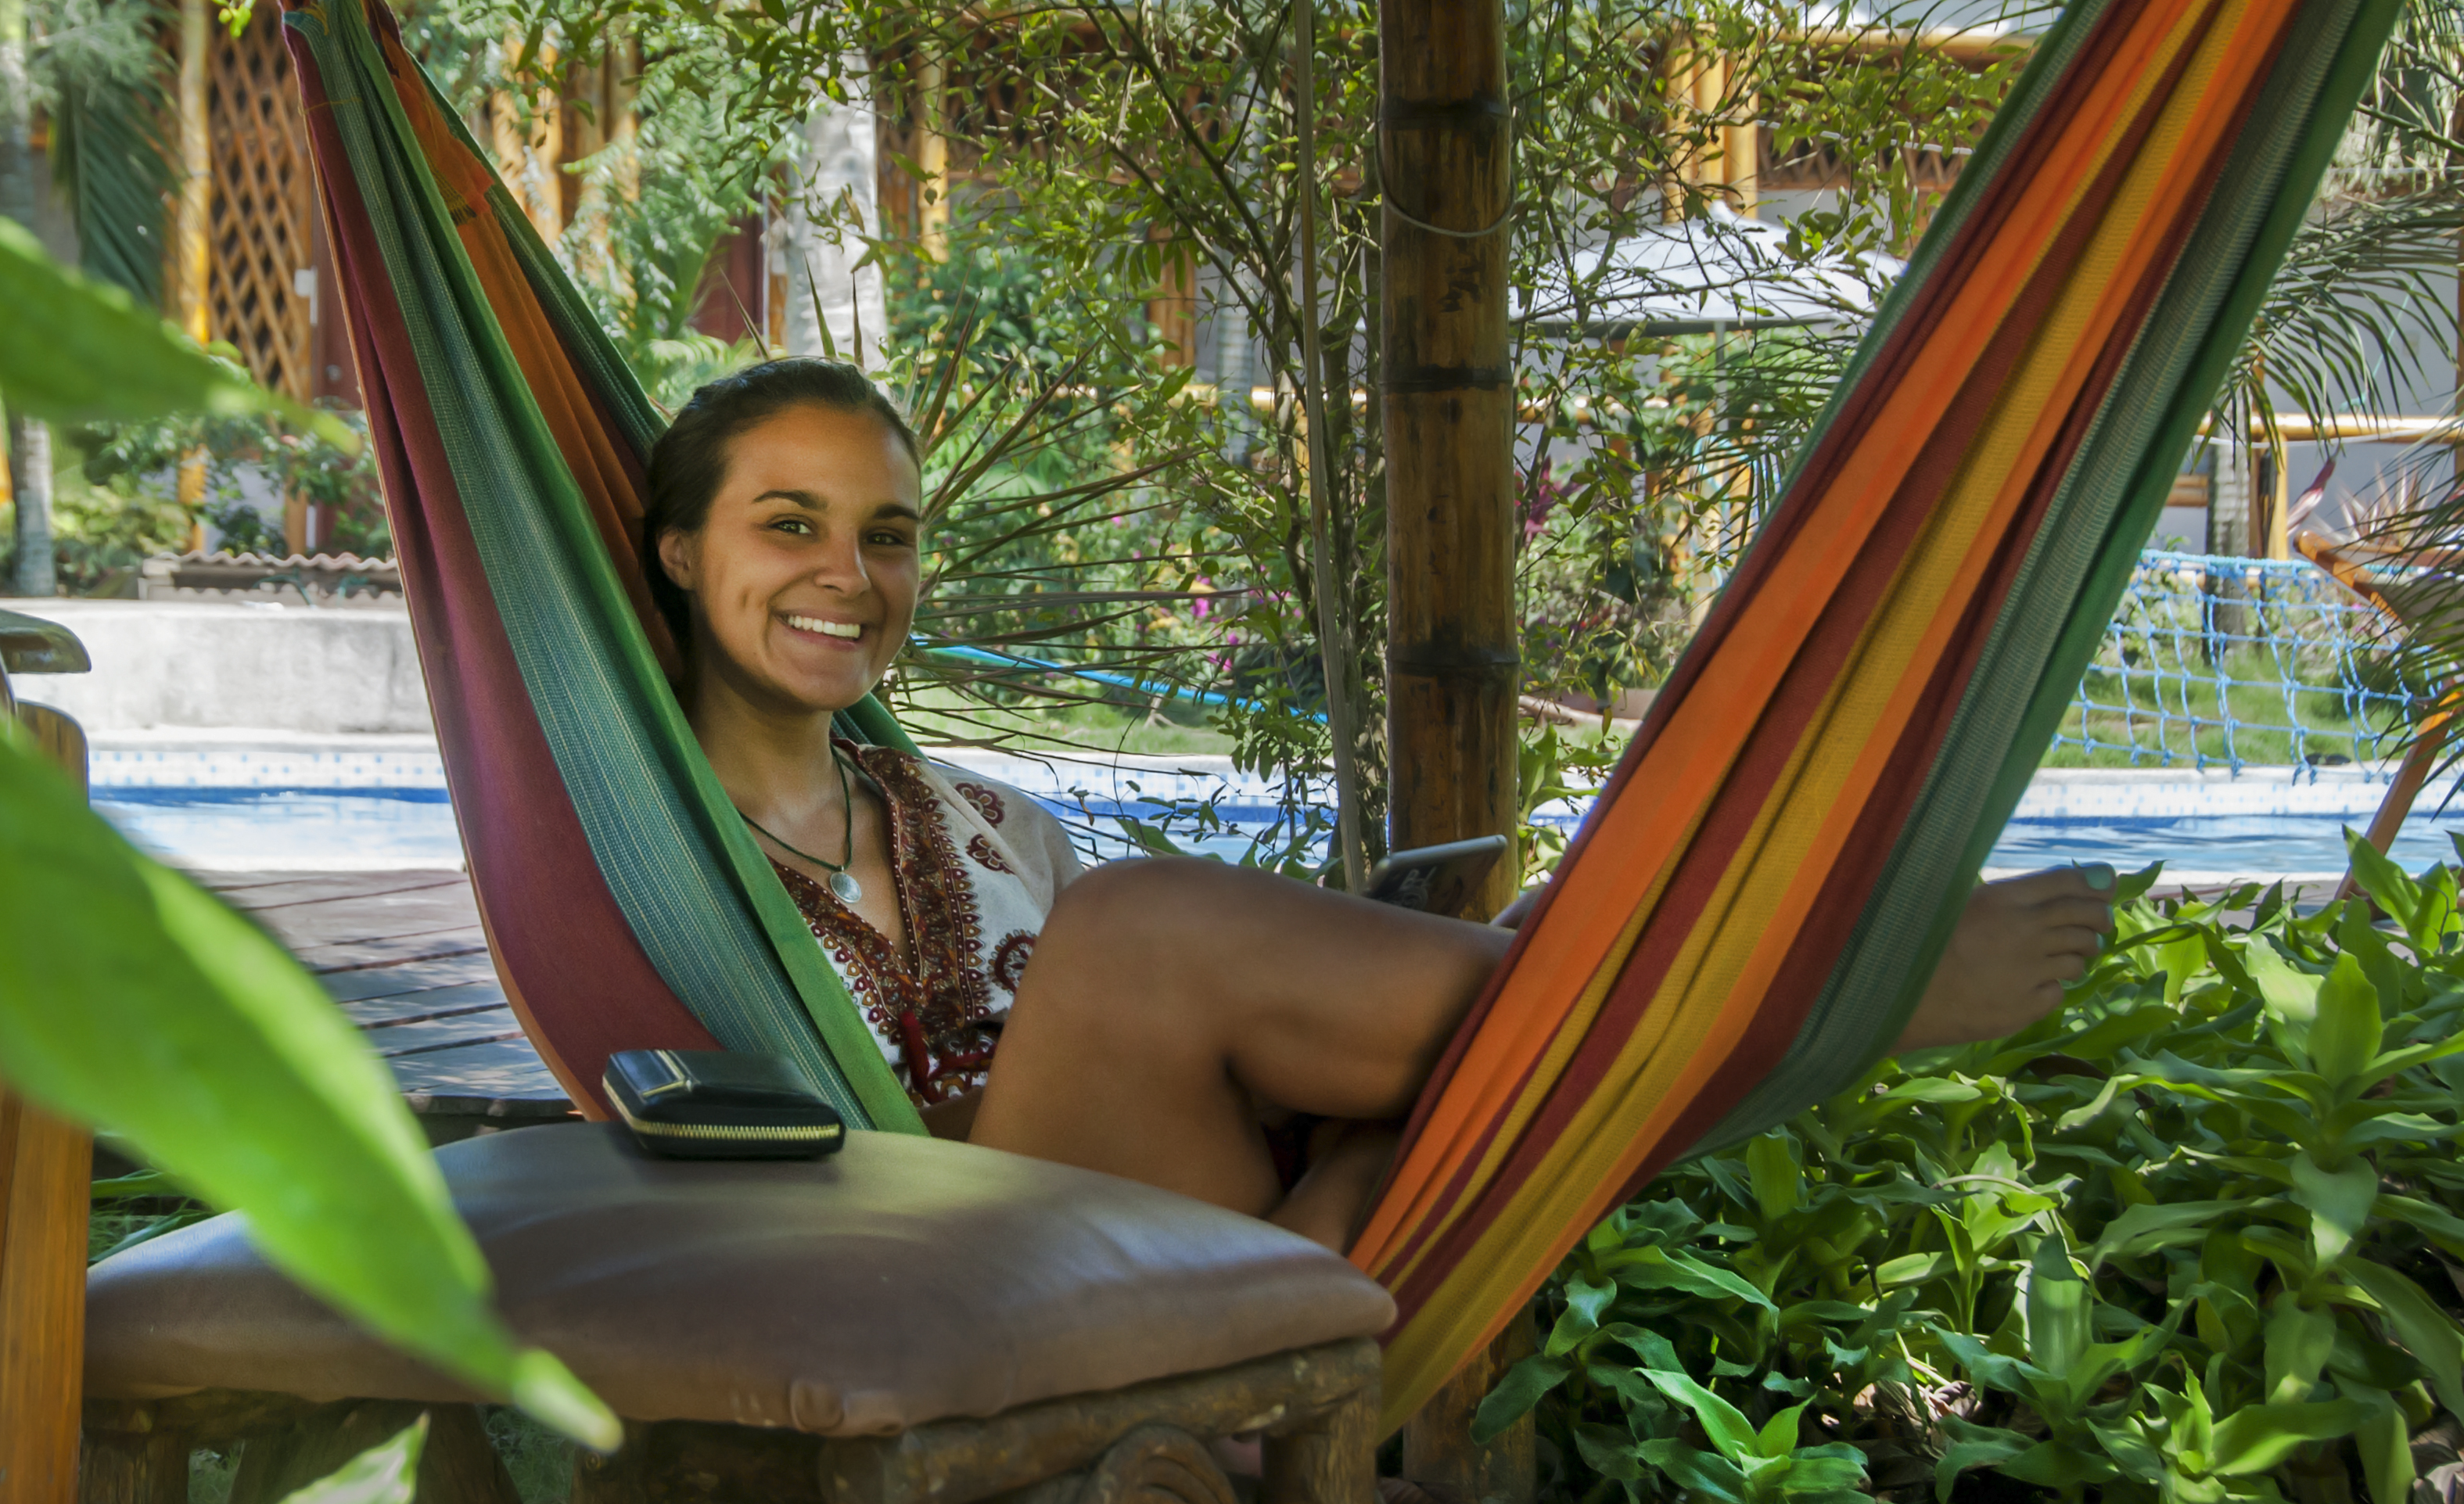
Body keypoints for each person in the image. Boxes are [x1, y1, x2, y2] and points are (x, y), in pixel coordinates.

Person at [640, 358, 2115, 1251]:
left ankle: (1378, 1172)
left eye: (886, 536)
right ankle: (1792, 999)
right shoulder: (637, 856)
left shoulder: (987, 825)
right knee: (1143, 930)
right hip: (956, 1287)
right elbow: (747, 1175)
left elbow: (1141, 1081)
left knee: (1558, 901)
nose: (851, 575)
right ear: (679, 557)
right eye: (789, 526)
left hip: (1196, 1232)